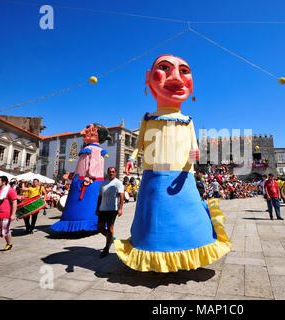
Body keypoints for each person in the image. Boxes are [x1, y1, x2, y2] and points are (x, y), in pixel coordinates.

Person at [115, 54, 231, 272]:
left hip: (182, 176)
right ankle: (154, 255)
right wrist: (131, 158)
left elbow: (193, 144)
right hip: (153, 175)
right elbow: (140, 144)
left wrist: (195, 154)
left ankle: (189, 249)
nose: (176, 76)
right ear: (148, 79)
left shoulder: (188, 120)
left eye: (184, 70)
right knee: (153, 219)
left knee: (187, 217)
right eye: (165, 67)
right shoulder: (148, 118)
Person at [50, 123, 111, 232]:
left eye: (88, 129)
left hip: (87, 183)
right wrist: (73, 175)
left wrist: (89, 178)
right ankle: (76, 222)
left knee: (84, 205)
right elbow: (84, 166)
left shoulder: (95, 150)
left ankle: (85, 223)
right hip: (81, 180)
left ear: (96, 133)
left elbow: (94, 166)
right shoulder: (90, 148)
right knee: (78, 204)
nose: (83, 132)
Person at [96, 167, 124, 258]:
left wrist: (120, 208)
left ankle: (106, 248)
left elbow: (121, 196)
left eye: (113, 172)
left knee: (110, 228)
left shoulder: (118, 183)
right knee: (100, 227)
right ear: (107, 173)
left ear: (115, 173)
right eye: (109, 172)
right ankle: (111, 238)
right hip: (103, 209)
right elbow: (100, 196)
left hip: (112, 209)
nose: (111, 173)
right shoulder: (103, 183)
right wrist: (97, 208)